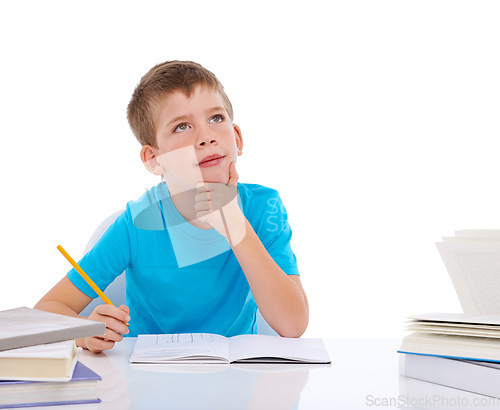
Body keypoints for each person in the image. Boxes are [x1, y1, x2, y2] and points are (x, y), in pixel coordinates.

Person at [35, 61, 309, 353]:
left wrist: (234, 223)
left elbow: (293, 325)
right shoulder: (135, 225)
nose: (206, 136)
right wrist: (84, 332)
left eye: (216, 118)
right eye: (182, 126)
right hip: (148, 383)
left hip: (236, 380)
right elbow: (46, 310)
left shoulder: (264, 208)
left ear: (237, 138)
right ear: (154, 159)